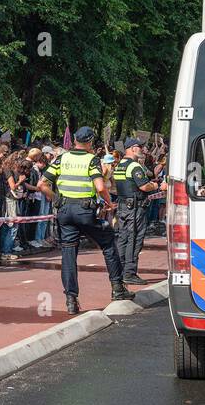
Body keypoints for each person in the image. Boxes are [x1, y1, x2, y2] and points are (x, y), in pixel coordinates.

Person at [39, 126, 130, 313]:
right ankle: (117, 288)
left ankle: (71, 300)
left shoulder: (62, 158)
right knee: (108, 243)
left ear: (74, 141)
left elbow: (42, 184)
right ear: (89, 142)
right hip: (85, 211)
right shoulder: (92, 160)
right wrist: (109, 202)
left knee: (68, 254)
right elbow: (99, 186)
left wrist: (57, 200)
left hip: (65, 212)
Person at [112, 138, 158, 285]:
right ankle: (130, 273)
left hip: (123, 206)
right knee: (134, 239)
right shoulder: (134, 166)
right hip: (135, 208)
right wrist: (157, 186)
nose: (142, 150)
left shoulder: (120, 165)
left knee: (123, 239)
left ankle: (120, 270)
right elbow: (144, 186)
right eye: (139, 147)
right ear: (131, 148)